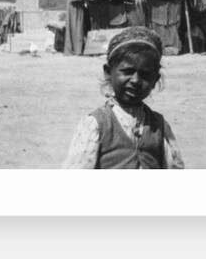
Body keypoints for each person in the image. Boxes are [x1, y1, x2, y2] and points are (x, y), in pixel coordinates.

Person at [62, 26, 184, 169]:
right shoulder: (95, 125)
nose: (135, 80)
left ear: (155, 80)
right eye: (127, 71)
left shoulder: (160, 126)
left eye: (145, 75)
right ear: (108, 73)